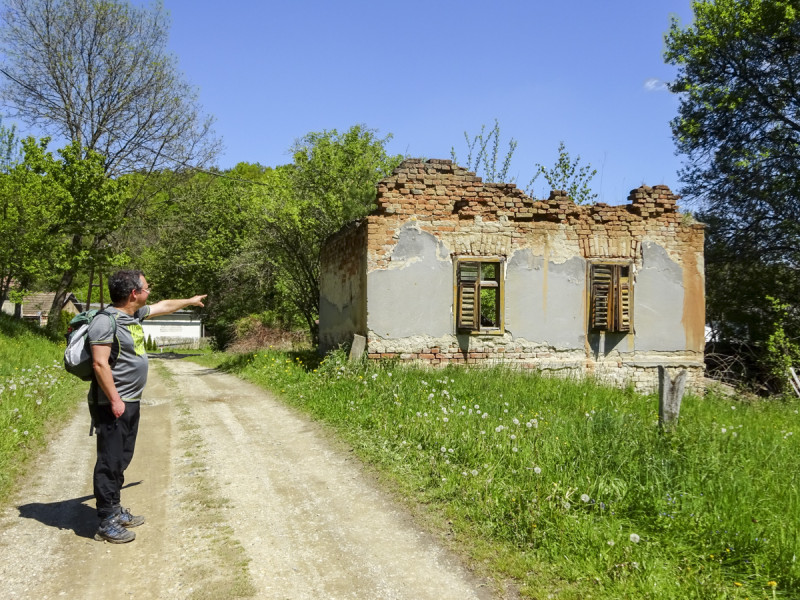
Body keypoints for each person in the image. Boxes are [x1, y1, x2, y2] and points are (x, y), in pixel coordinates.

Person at [87, 269, 206, 543]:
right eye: (147, 287)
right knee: (110, 461)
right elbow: (99, 363)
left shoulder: (131, 315)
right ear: (134, 293)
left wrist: (189, 300)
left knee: (122, 458)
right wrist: (115, 400)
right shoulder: (105, 322)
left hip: (130, 401)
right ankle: (106, 521)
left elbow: (164, 306)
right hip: (112, 403)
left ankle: (115, 510)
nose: (149, 291)